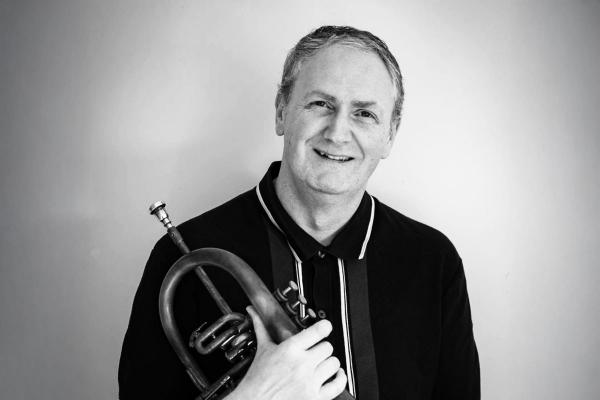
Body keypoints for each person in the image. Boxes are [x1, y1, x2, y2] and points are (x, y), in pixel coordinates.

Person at [118, 25, 480, 400]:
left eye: (364, 113)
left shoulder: (434, 262)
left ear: (390, 134)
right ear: (281, 112)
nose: (337, 133)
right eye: (321, 104)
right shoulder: (185, 255)